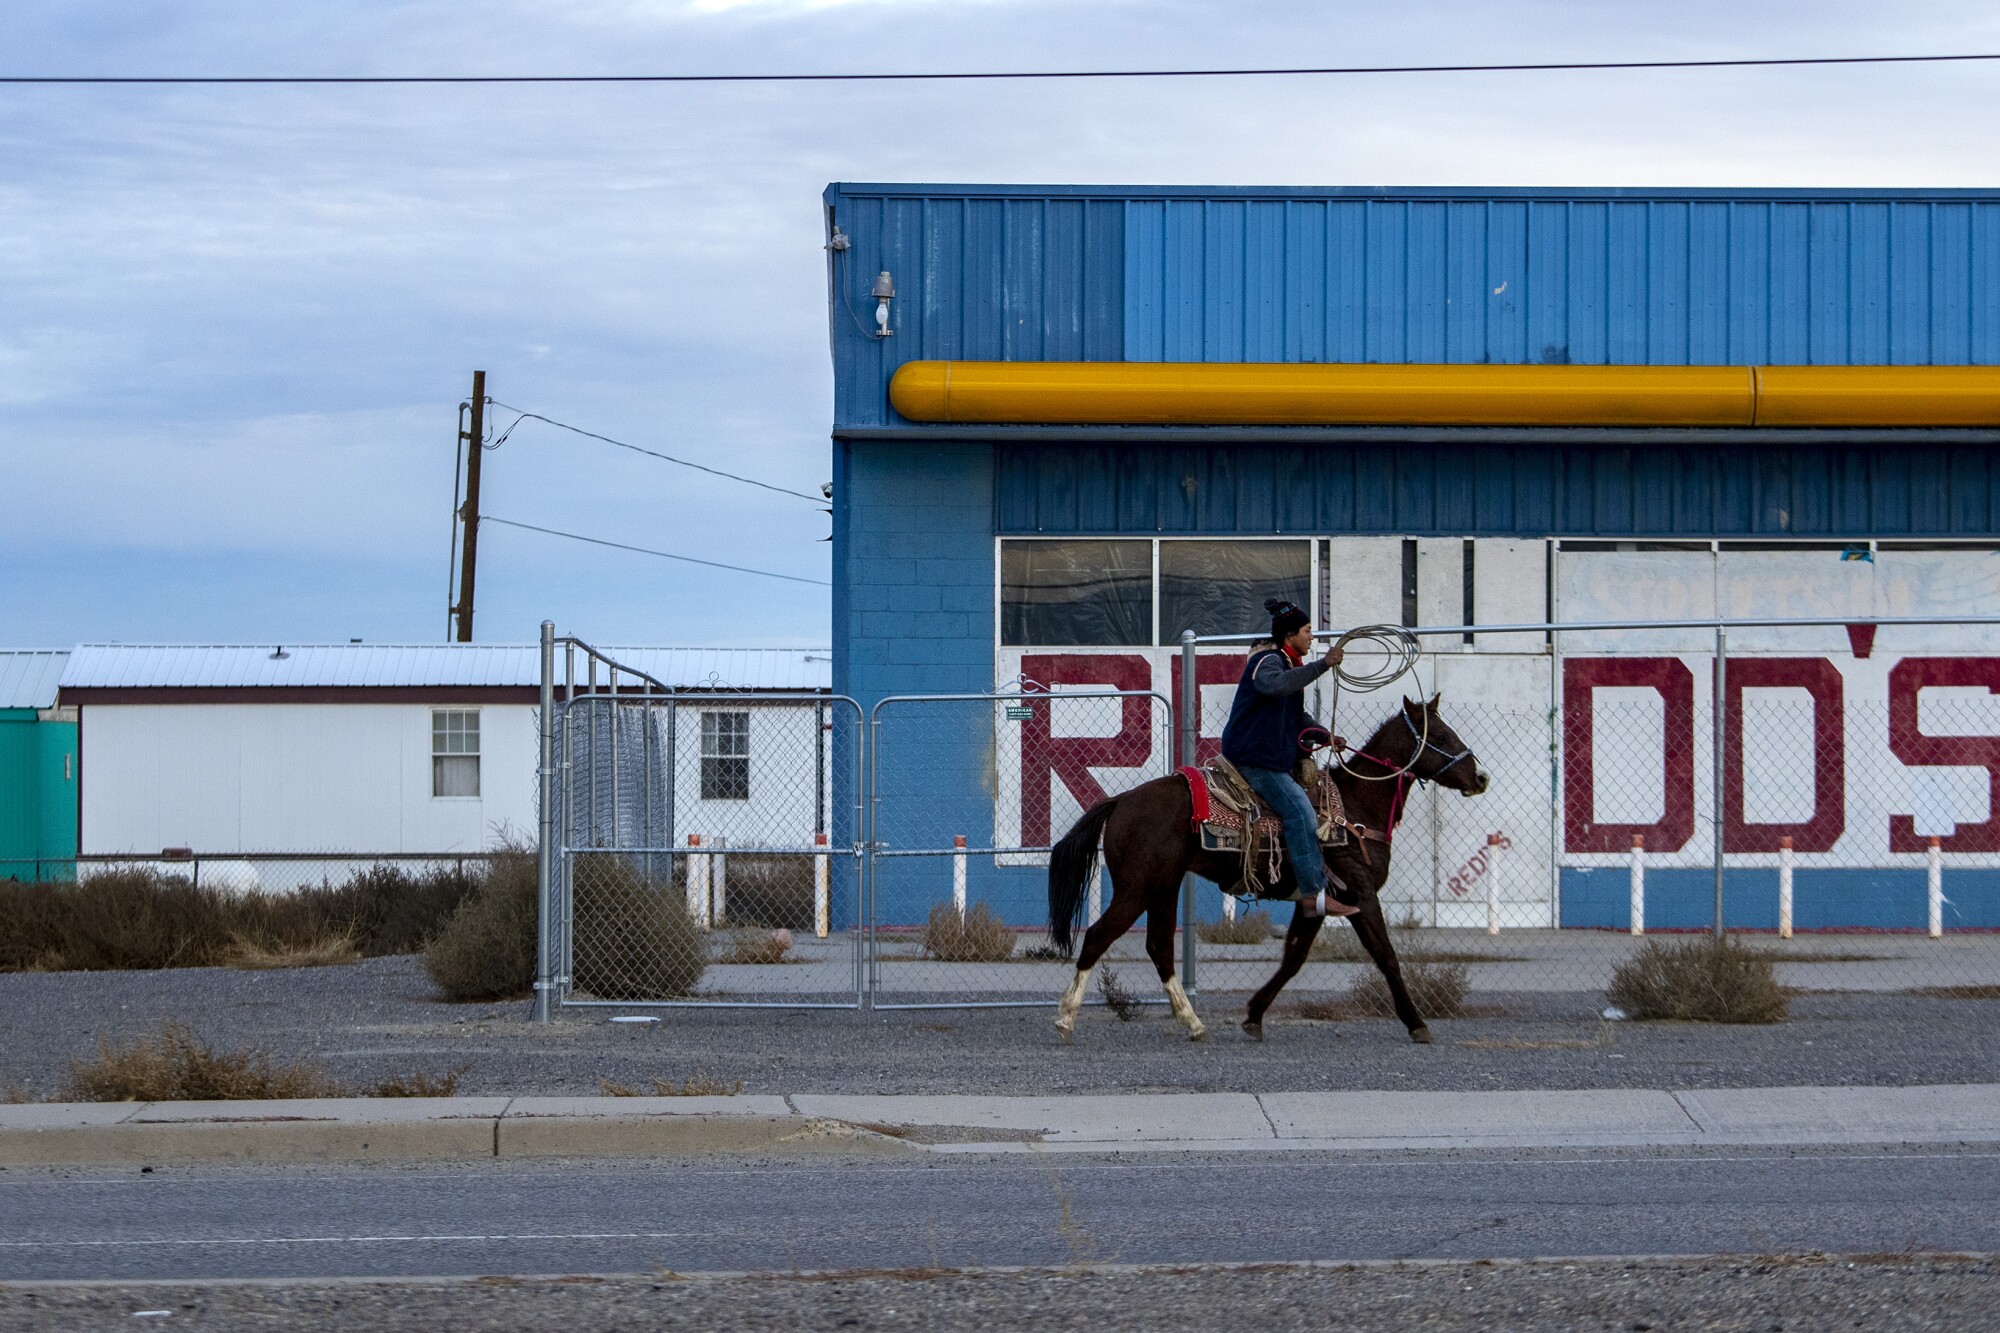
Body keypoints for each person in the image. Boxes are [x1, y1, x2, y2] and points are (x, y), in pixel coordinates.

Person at [1218, 598, 1361, 919]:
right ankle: (1313, 894)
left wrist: (1325, 736)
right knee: (1301, 814)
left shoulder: (1287, 665)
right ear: (1290, 634)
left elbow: (1297, 718)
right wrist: (1322, 665)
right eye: (1308, 631)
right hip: (1255, 761)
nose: (1312, 637)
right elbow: (1273, 687)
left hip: (1267, 759)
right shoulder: (1269, 662)